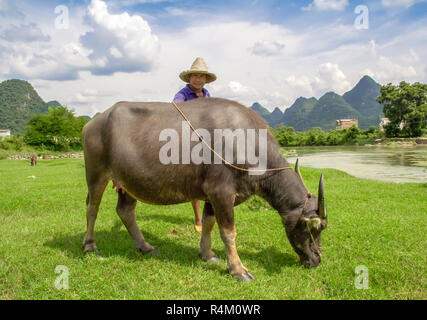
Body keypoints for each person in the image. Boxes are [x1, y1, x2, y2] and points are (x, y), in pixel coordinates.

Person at [173, 57, 217, 233]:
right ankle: (198, 216)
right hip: (187, 136)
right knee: (196, 176)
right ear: (189, 78)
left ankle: (211, 211)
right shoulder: (182, 94)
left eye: (201, 76)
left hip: (205, 137)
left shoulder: (207, 95)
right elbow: (174, 109)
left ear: (206, 80)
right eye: (195, 76)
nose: (198, 79)